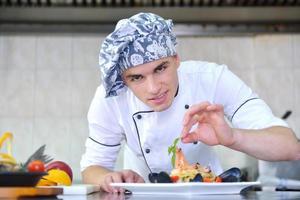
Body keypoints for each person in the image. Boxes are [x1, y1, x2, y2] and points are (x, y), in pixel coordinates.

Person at [80, 12, 300, 193]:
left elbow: (290, 148)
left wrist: (232, 137)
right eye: (136, 78)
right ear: (123, 80)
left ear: (176, 59)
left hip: (211, 195)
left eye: (160, 68)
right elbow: (92, 168)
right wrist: (108, 178)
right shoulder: (111, 98)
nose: (154, 87)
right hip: (143, 195)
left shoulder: (212, 78)